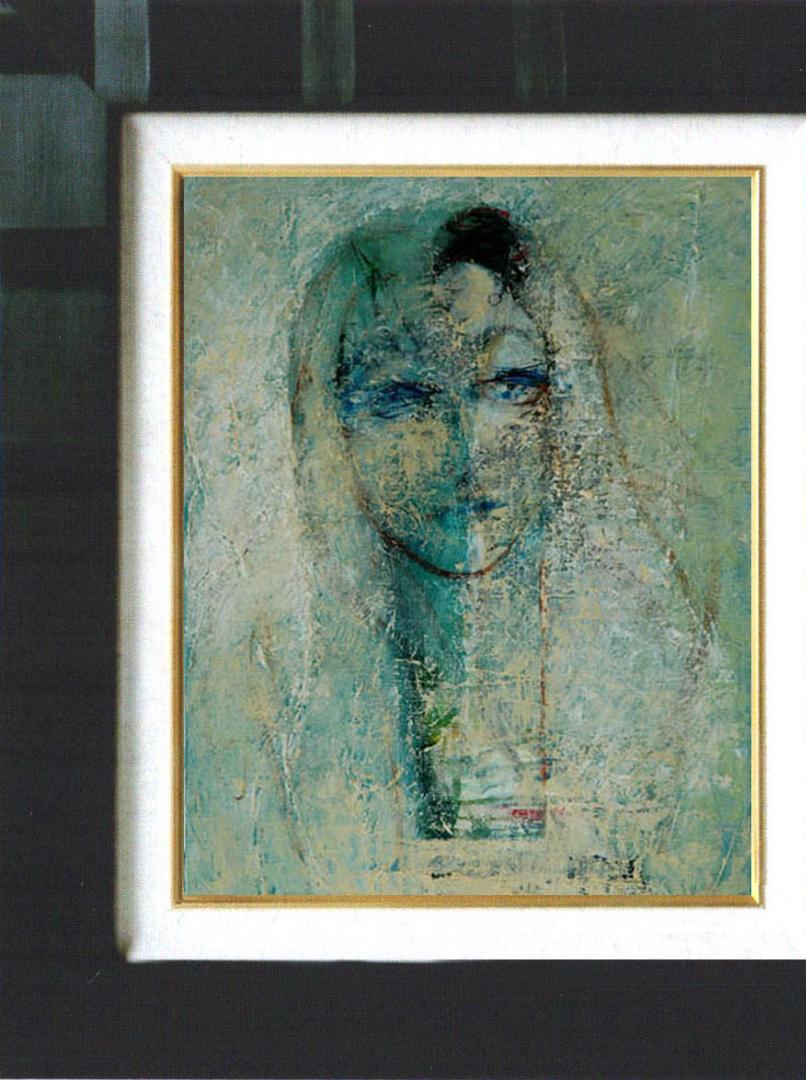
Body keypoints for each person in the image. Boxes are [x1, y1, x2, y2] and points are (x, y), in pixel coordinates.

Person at [184, 202, 750, 897]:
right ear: (328, 422)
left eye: (512, 384)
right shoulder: (261, 684)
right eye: (400, 395)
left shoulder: (665, 660)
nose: (467, 443)